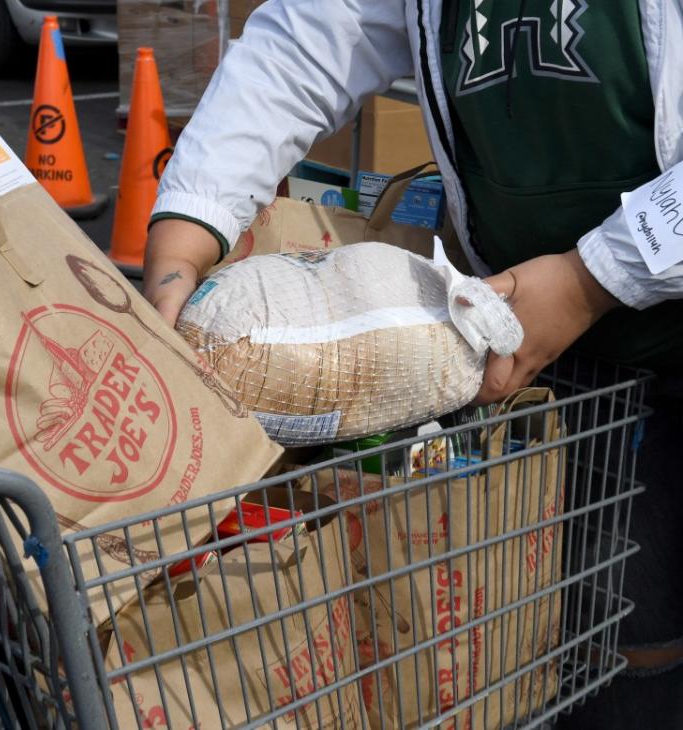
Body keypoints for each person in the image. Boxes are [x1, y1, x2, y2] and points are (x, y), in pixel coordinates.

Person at [141, 1, 683, 727]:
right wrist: (188, 227)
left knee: (636, 619)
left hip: (645, 318)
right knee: (589, 618)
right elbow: (312, 41)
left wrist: (597, 277)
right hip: (535, 335)